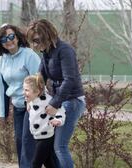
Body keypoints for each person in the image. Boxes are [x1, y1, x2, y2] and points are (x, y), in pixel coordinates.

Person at [27, 19, 86, 168]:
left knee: (60, 147)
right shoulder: (46, 53)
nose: (34, 45)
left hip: (72, 102)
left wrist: (54, 103)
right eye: (32, 41)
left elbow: (70, 79)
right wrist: (30, 99)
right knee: (48, 145)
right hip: (59, 102)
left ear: (47, 35)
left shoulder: (64, 50)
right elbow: (39, 79)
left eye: (36, 40)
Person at [0, 23, 41, 168]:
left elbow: (39, 81)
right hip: (18, 107)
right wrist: (2, 114)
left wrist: (34, 103)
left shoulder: (29, 55)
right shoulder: (2, 60)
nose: (9, 41)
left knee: (27, 141)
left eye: (11, 36)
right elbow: (2, 87)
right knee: (20, 141)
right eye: (4, 39)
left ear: (17, 37)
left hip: (32, 105)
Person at [23, 74, 66, 168]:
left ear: (37, 91)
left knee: (35, 163)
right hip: (37, 137)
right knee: (49, 163)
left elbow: (60, 109)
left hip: (46, 138)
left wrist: (58, 120)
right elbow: (31, 101)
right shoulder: (33, 99)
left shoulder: (47, 101)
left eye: (26, 90)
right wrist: (28, 102)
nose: (23, 92)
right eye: (24, 89)